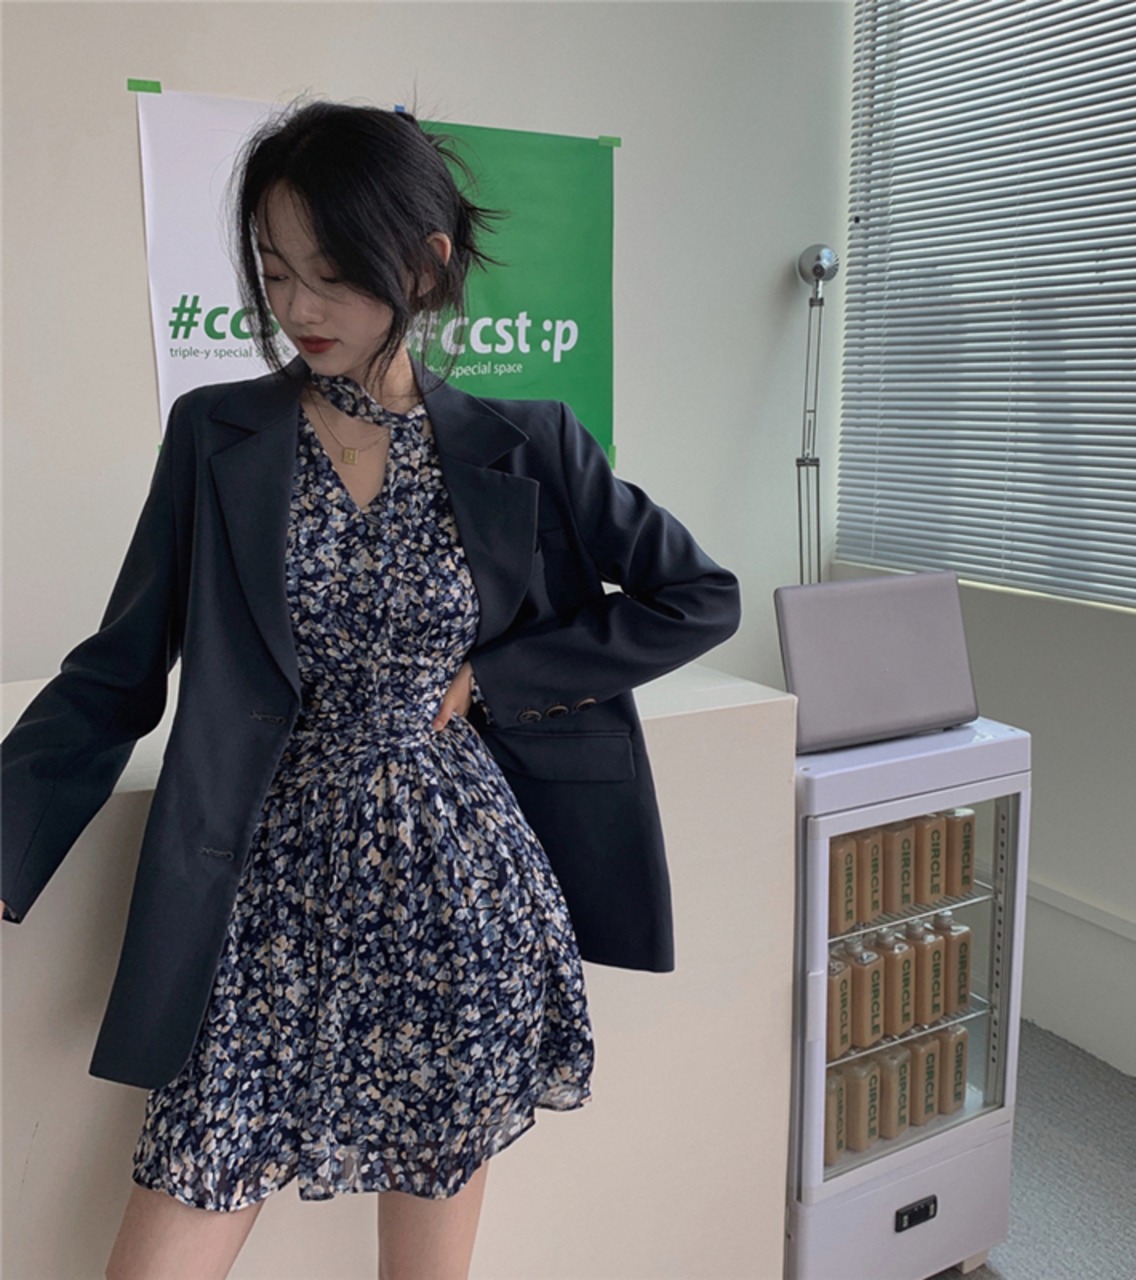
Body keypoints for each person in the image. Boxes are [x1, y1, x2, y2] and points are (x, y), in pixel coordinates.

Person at [0, 100, 740, 1280]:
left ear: (424, 265)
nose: (297, 307)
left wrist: (495, 675)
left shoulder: (523, 440)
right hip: (263, 905)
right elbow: (116, 669)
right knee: (168, 1227)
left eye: (332, 274)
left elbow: (695, 593)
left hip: (458, 893)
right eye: (274, 271)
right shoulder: (216, 436)